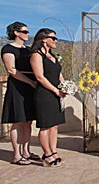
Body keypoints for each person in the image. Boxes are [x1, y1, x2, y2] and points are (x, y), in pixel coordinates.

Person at [1, 21, 39, 165]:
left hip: (31, 87)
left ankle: (26, 151)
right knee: (18, 121)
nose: (27, 34)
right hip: (18, 86)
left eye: (27, 32)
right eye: (24, 31)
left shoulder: (28, 50)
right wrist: (30, 82)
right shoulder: (8, 48)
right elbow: (12, 70)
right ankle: (17, 155)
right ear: (16, 33)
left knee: (28, 121)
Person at [30, 28, 66, 167]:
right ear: (44, 39)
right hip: (44, 94)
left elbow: (59, 74)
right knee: (45, 126)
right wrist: (54, 90)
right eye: (53, 38)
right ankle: (47, 154)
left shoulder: (53, 56)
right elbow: (39, 77)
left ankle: (53, 152)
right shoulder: (36, 56)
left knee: (54, 125)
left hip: (57, 93)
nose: (56, 41)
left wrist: (65, 87)